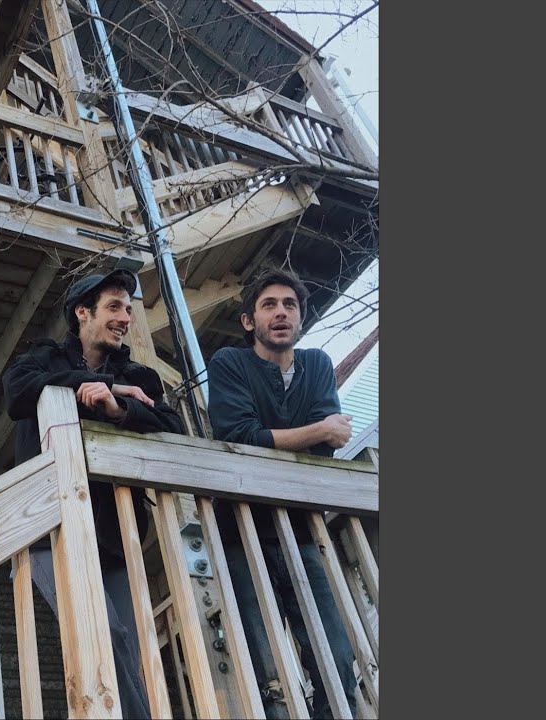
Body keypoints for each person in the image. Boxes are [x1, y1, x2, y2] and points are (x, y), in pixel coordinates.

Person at [3, 268, 184, 720]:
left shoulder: (141, 375)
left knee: (128, 651)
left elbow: (173, 429)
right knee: (105, 637)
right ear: (83, 312)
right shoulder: (45, 357)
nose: (125, 318)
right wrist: (93, 386)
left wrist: (117, 406)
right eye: (114, 307)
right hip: (50, 529)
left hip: (115, 533)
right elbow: (16, 393)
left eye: (128, 309)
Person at [206, 267, 359, 718]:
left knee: (336, 659)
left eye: (289, 305)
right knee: (265, 667)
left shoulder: (317, 364)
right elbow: (239, 435)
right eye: (268, 305)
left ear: (300, 317)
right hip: (241, 532)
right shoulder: (229, 363)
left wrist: (311, 435)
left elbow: (328, 448)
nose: (280, 313)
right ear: (248, 320)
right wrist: (319, 429)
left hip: (301, 531)